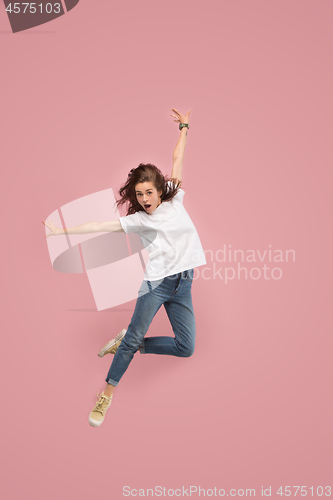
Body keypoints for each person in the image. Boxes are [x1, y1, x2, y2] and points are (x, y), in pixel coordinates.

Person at [42, 108, 206, 427]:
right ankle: (106, 394)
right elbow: (99, 226)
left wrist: (184, 127)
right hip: (156, 285)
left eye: (149, 192)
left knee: (186, 347)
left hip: (183, 283)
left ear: (161, 190)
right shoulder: (138, 220)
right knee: (132, 339)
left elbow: (177, 160)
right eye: (139, 194)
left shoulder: (175, 199)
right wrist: (61, 232)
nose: (144, 198)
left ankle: (129, 340)